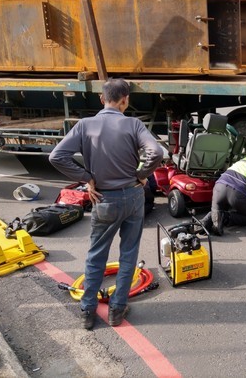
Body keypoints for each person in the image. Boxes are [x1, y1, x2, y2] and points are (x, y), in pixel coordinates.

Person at [49, 78, 163, 330]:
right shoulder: (133, 124)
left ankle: (88, 311)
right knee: (129, 253)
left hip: (103, 198)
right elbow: (156, 152)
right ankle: (116, 311)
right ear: (126, 100)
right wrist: (142, 176)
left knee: (96, 255)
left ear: (102, 99)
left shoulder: (85, 125)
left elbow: (57, 156)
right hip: (133, 196)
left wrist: (87, 178)